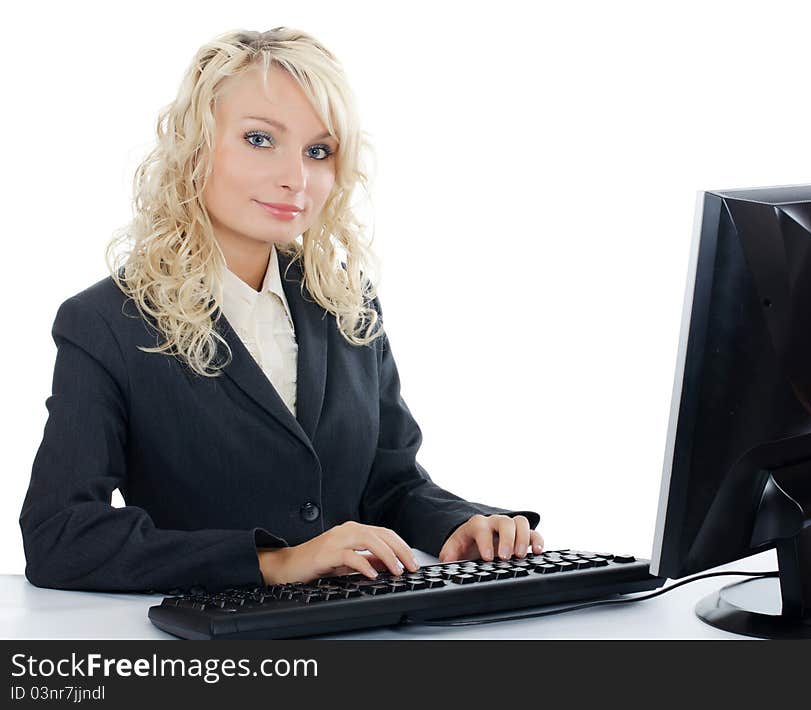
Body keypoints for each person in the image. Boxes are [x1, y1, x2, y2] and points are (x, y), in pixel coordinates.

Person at [19, 27, 542, 594]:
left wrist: (458, 525)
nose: (296, 178)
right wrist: (276, 562)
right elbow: (60, 535)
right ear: (197, 146)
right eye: (260, 139)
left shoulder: (344, 300)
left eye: (319, 151)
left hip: (360, 630)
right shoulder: (107, 322)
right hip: (213, 656)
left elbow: (388, 484)